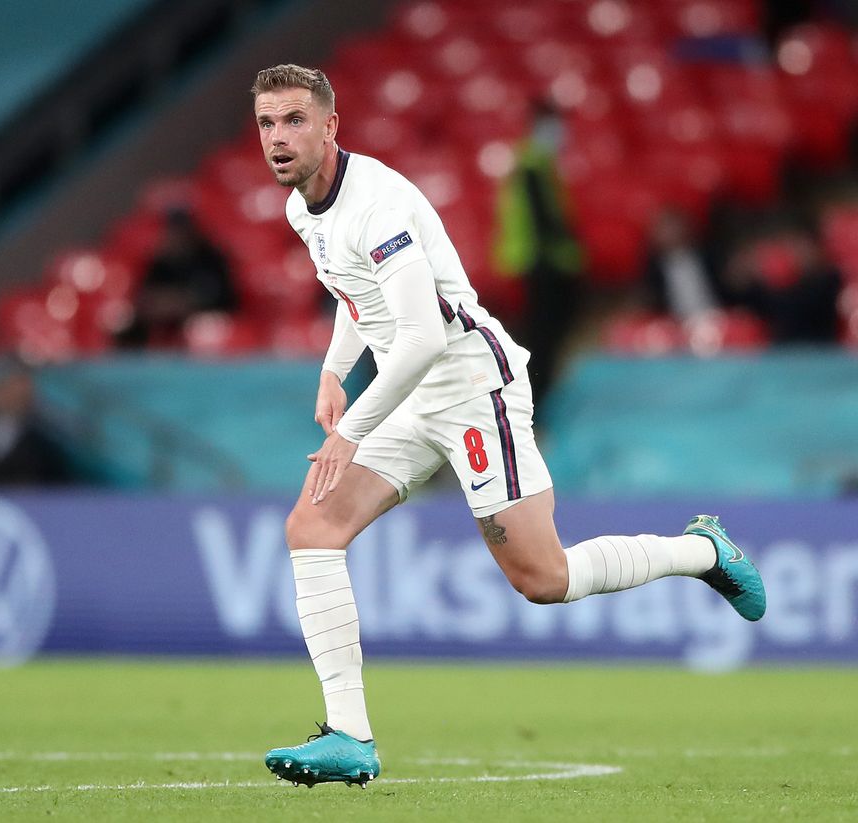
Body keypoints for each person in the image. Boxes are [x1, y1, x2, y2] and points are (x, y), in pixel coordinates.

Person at [250, 64, 766, 789]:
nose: (279, 137)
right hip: (409, 389)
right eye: (269, 123)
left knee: (543, 577)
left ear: (331, 126)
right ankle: (350, 735)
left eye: (295, 120)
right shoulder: (304, 208)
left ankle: (701, 551)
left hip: (468, 384)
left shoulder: (378, 205)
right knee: (311, 528)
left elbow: (426, 335)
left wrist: (352, 426)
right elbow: (354, 290)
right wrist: (336, 369)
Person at [493, 98, 584, 409]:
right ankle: (533, 401)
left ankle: (536, 397)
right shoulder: (531, 165)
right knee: (541, 338)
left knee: (544, 336)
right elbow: (545, 219)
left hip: (542, 260)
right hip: (537, 262)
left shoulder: (541, 164)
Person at [116, 207, 239, 349]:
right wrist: (161, 303)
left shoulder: (211, 257)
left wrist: (183, 302)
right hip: (167, 325)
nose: (178, 234)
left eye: (182, 229)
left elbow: (223, 298)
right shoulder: (162, 261)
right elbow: (145, 296)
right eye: (174, 229)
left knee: (203, 327)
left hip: (206, 323)